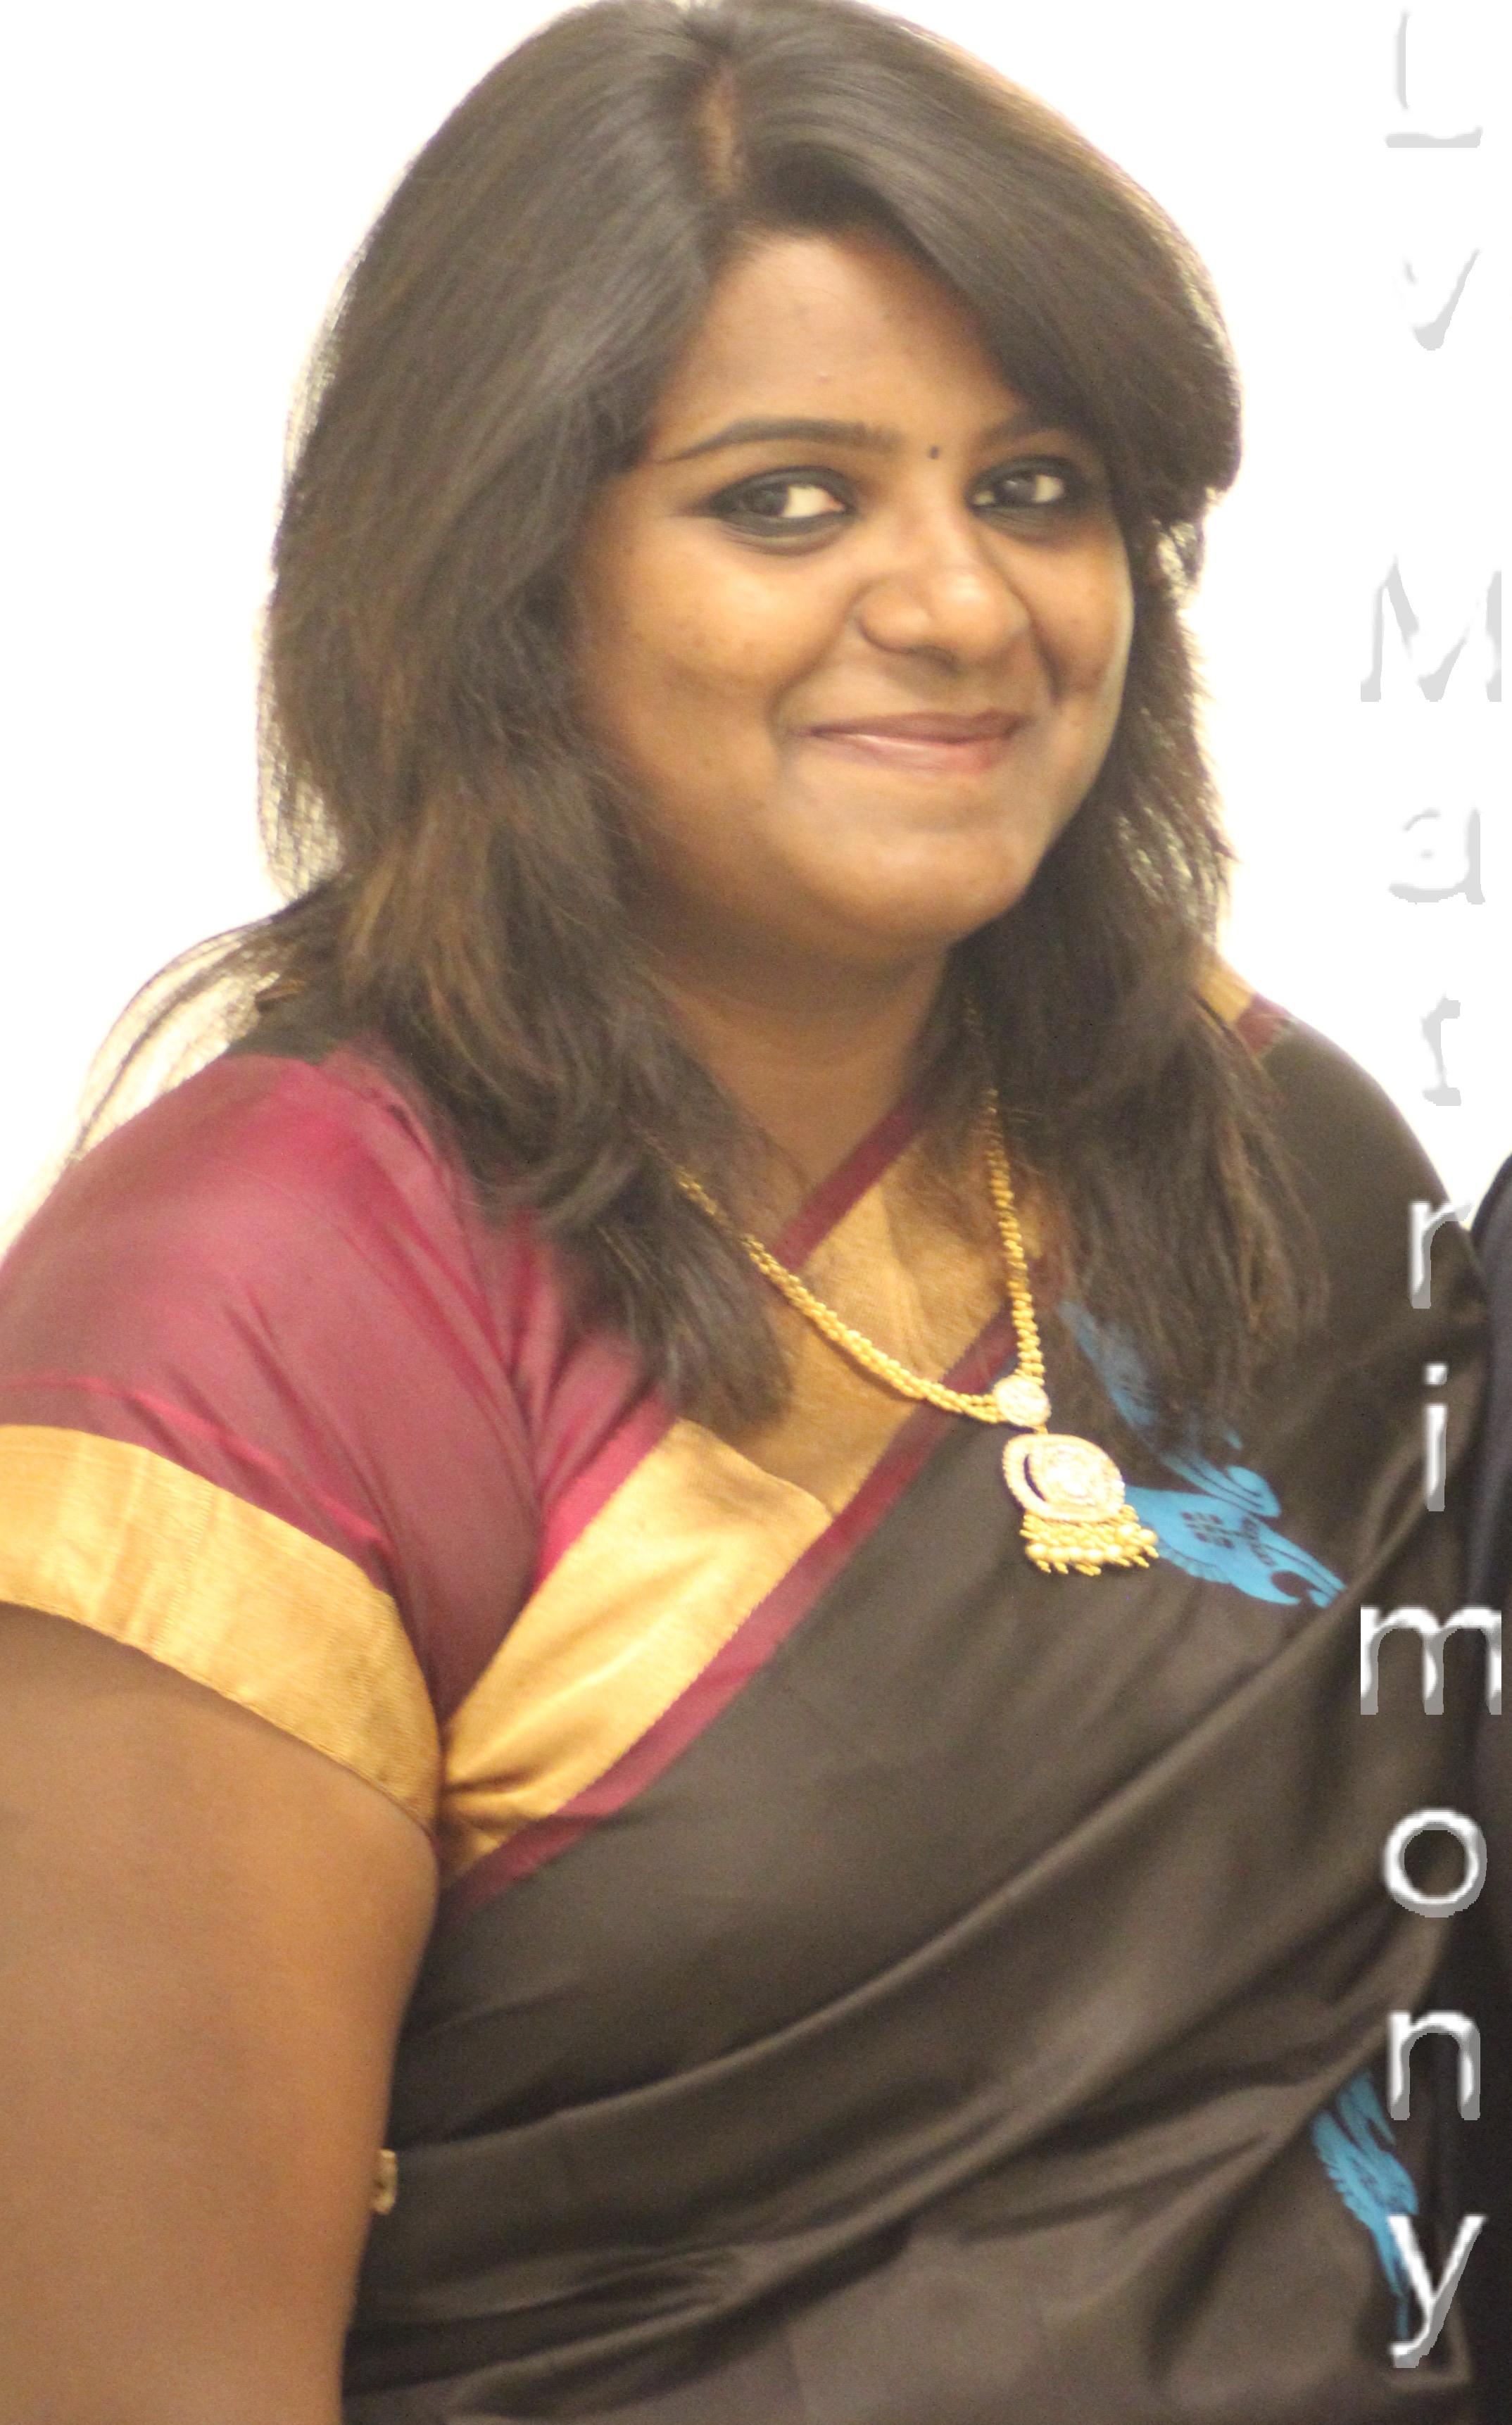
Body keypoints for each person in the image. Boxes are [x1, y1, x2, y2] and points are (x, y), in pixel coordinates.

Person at [0, 1, 1491, 2417]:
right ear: (502, 577)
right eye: (786, 501)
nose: (965, 607)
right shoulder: (252, 1329)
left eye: (1035, 489)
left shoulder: (1264, 1158)